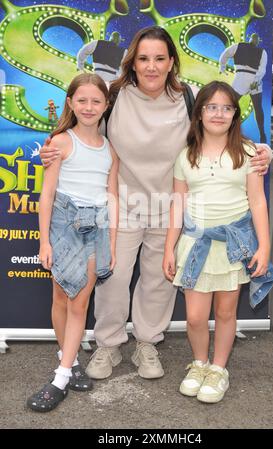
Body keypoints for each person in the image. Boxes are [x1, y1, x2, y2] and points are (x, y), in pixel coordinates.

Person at [39, 26, 272, 382]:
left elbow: (218, 133)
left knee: (158, 281)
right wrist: (53, 147)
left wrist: (261, 151)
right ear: (132, 62)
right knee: (113, 278)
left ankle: (147, 342)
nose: (151, 66)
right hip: (121, 207)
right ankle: (108, 344)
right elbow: (83, 130)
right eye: (143, 58)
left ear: (171, 62)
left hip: (171, 209)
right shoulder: (114, 96)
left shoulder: (188, 97)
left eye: (159, 59)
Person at [163, 81, 273, 403]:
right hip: (195, 245)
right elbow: (177, 204)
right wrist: (168, 246)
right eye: (211, 107)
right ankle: (199, 363)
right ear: (199, 113)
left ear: (234, 115)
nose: (219, 113)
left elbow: (257, 202)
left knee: (226, 313)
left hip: (234, 244)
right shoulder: (185, 156)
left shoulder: (249, 153)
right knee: (196, 317)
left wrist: (264, 247)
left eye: (226, 108)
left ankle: (218, 368)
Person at [27, 73, 119, 412]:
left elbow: (112, 197)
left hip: (96, 229)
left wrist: (110, 240)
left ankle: (60, 378)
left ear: (106, 105)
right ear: (70, 103)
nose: (89, 107)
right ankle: (69, 356)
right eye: (82, 100)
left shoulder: (111, 150)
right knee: (61, 298)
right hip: (63, 225)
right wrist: (43, 242)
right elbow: (47, 194)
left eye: (96, 101)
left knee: (79, 303)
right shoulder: (61, 142)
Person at [219, 33, 267, 143]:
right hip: (252, 79)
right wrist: (256, 81)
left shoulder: (238, 46)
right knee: (255, 108)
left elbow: (225, 54)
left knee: (231, 106)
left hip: (241, 79)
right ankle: (262, 134)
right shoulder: (262, 52)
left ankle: (228, 131)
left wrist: (223, 66)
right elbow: (262, 69)